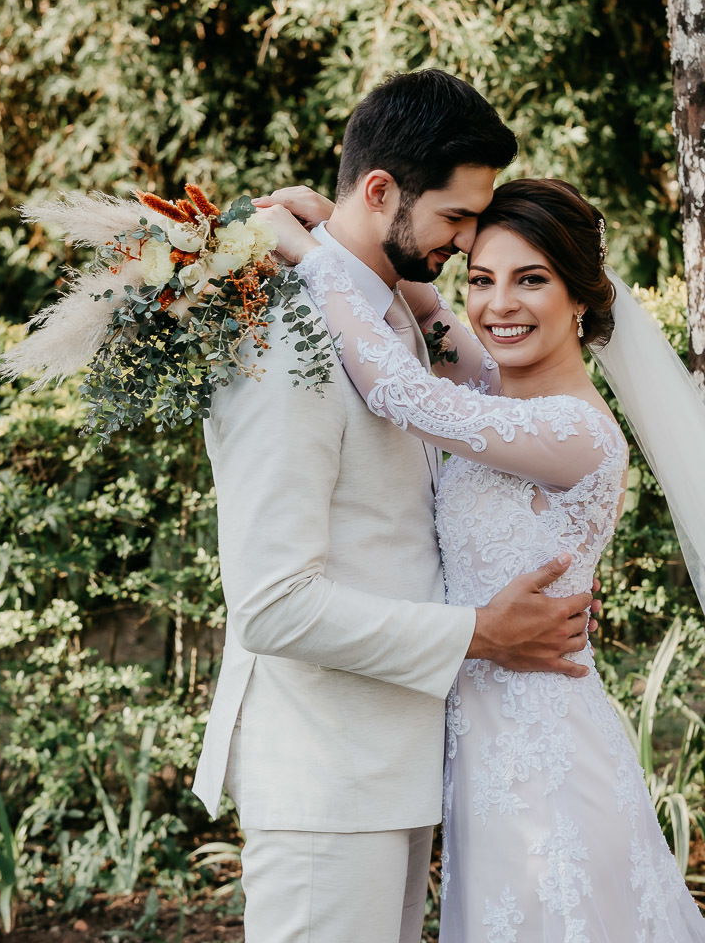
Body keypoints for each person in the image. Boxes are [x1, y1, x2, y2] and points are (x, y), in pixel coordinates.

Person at [192, 71, 600, 943]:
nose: (466, 241)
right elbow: (270, 603)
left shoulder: (392, 318)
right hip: (327, 775)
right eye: (456, 219)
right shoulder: (290, 338)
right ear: (382, 191)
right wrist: (480, 634)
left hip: (400, 766)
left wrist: (323, 244)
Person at [264, 175, 705, 940]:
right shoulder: (498, 396)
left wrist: (310, 257)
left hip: (549, 774)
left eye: (530, 280)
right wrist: (340, 226)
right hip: (485, 768)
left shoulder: (576, 433)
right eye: (482, 278)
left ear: (579, 298)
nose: (499, 304)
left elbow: (402, 392)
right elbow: (425, 308)